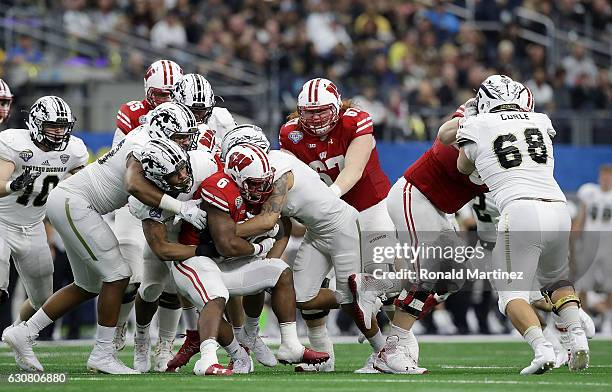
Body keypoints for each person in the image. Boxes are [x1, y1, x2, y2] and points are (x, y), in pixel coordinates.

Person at [1, 102, 205, 374]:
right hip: (75, 204)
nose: (185, 141)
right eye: (179, 135)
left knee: (88, 284)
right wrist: (181, 208)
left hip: (73, 204)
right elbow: (133, 184)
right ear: (161, 130)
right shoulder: (142, 145)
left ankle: (25, 332)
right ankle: (102, 353)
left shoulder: (149, 140)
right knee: (118, 275)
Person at [456, 76, 589, 374]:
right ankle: (577, 337)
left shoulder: (478, 124)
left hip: (520, 209)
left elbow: (462, 168)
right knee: (557, 281)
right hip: (558, 206)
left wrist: (469, 121)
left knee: (510, 294)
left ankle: (543, 349)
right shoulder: (541, 120)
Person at [224, 136, 389, 374]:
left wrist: (227, 232)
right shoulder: (268, 164)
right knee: (299, 297)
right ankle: (363, 292)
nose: (258, 187)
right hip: (317, 232)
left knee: (355, 303)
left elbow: (269, 219)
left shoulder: (278, 172)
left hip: (342, 227)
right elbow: (284, 223)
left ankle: (384, 352)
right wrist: (273, 260)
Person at [278, 77, 399, 373]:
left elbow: (354, 170)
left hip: (371, 208)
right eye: (309, 112)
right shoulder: (290, 134)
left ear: (337, 106)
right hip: (326, 220)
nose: (316, 118)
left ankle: (397, 348)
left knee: (381, 284)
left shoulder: (355, 120)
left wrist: (326, 198)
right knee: (307, 296)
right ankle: (323, 356)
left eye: (322, 111)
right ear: (299, 111)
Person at [112, 60, 184, 357]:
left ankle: (165, 343)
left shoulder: (190, 114)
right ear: (147, 90)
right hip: (135, 199)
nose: (165, 100)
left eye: (172, 93)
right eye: (159, 93)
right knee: (129, 274)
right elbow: (122, 160)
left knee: (171, 280)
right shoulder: (132, 113)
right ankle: (116, 328)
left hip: (171, 201)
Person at [0, 96, 88, 321]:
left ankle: (17, 332)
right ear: (36, 123)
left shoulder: (74, 149)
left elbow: (86, 183)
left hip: (33, 226)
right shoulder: (14, 143)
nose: (59, 132)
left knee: (44, 301)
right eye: (52, 126)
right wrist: (13, 185)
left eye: (63, 126)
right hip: (2, 223)